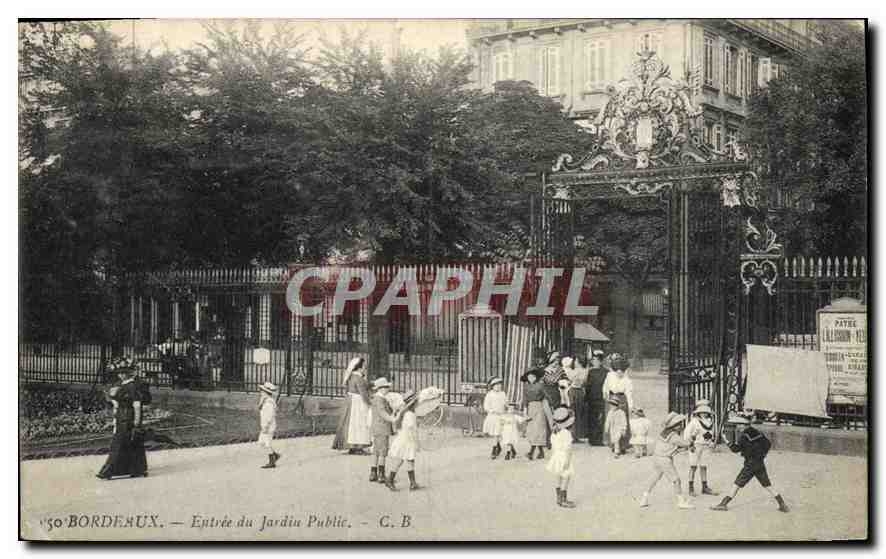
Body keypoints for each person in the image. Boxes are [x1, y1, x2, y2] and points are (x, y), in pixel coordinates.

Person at [711, 411, 790, 513]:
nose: (738, 427)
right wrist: (761, 455)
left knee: (737, 484)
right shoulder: (757, 432)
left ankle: (723, 504)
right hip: (759, 462)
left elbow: (735, 449)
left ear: (743, 425)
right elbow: (768, 444)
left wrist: (726, 441)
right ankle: (782, 504)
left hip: (750, 464)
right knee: (767, 485)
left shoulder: (744, 436)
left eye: (739, 425)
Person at [96, 357, 148, 480]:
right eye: (119, 372)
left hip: (128, 417)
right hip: (121, 416)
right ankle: (137, 469)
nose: (121, 375)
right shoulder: (122, 385)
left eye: (123, 372)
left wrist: (137, 422)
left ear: (129, 373)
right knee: (130, 444)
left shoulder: (132, 386)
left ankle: (108, 471)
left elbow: (137, 405)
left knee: (120, 444)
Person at [639, 412, 694, 509]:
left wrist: (684, 448)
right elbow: (685, 444)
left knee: (655, 478)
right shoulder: (674, 436)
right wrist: (692, 441)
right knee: (676, 480)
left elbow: (674, 448)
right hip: (665, 459)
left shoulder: (664, 432)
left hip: (657, 457)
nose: (681, 425)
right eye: (679, 424)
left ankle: (644, 498)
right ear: (674, 426)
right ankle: (681, 502)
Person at [332, 357, 372, 455]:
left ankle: (352, 446)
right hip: (357, 403)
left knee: (350, 424)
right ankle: (357, 446)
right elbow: (363, 393)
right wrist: (370, 403)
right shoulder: (358, 378)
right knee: (358, 424)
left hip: (351, 401)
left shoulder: (352, 376)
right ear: (359, 368)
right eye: (364, 366)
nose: (365, 368)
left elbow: (363, 386)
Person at [384, 390, 420, 491]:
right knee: (402, 459)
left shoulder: (405, 413)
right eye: (416, 402)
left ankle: (412, 483)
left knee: (408, 459)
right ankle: (390, 479)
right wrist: (416, 440)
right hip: (407, 440)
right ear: (413, 404)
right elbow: (411, 428)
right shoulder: (410, 414)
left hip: (404, 438)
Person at [369, 377, 402, 483]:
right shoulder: (380, 400)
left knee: (376, 450)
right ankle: (381, 474)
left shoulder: (377, 398)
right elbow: (383, 413)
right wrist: (393, 419)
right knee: (383, 451)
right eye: (386, 387)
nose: (388, 389)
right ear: (381, 388)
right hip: (382, 428)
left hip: (376, 428)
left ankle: (373, 472)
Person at [684, 399, 719, 496]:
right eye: (702, 412)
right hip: (696, 446)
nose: (704, 414)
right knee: (693, 466)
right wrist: (689, 443)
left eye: (706, 412)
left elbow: (712, 434)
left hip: (706, 446)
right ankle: (691, 487)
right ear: (698, 413)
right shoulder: (694, 422)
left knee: (704, 466)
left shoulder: (710, 422)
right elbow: (687, 433)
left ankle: (705, 487)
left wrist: (712, 441)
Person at [602, 353, 634, 452]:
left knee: (621, 422)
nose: (619, 374)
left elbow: (629, 393)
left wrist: (631, 406)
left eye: (622, 372)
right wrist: (605, 394)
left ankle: (623, 445)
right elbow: (605, 386)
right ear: (615, 370)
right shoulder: (610, 376)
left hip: (622, 399)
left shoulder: (627, 380)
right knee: (611, 420)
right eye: (618, 372)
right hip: (611, 398)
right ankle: (612, 444)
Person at [546, 406, 577, 508]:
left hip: (556, 455)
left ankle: (558, 497)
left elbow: (553, 447)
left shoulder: (554, 433)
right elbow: (568, 449)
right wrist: (567, 461)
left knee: (558, 475)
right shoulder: (567, 434)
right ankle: (564, 498)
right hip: (564, 456)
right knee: (566, 476)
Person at [521, 368, 553, 460]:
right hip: (531, 408)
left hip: (539, 408)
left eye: (533, 376)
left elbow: (547, 396)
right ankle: (541, 452)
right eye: (529, 376)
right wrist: (525, 411)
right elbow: (525, 399)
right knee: (532, 430)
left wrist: (550, 406)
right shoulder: (526, 387)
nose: (531, 378)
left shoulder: (540, 386)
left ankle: (531, 452)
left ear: (536, 377)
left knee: (538, 430)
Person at [585, 349, 609, 446]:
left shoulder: (606, 372)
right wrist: (586, 397)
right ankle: (592, 439)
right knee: (591, 418)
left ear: (600, 361)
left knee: (600, 418)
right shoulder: (590, 372)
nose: (594, 362)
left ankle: (599, 439)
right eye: (593, 360)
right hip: (591, 398)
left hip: (601, 398)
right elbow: (588, 386)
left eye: (596, 360)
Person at [562, 356, 589, 441]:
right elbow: (584, 382)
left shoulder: (574, 371)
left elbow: (570, 379)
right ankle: (576, 435)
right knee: (578, 413)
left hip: (573, 391)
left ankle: (572, 434)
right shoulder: (585, 371)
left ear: (578, 361)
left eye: (576, 361)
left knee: (572, 412)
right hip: (580, 391)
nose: (574, 362)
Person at [257, 381, 281, 468]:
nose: (261, 392)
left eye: (262, 391)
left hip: (268, 426)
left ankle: (272, 461)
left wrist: (265, 427)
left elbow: (269, 416)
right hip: (265, 426)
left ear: (267, 393)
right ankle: (275, 455)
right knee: (262, 443)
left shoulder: (269, 403)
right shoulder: (265, 401)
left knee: (266, 443)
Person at [482, 377, 507, 459]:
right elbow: (486, 406)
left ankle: (499, 447)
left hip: (501, 416)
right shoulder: (489, 395)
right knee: (496, 434)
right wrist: (492, 410)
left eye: (500, 385)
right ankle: (495, 449)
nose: (498, 387)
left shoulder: (503, 394)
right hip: (493, 417)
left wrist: (507, 406)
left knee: (501, 434)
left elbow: (505, 403)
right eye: (496, 385)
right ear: (492, 386)